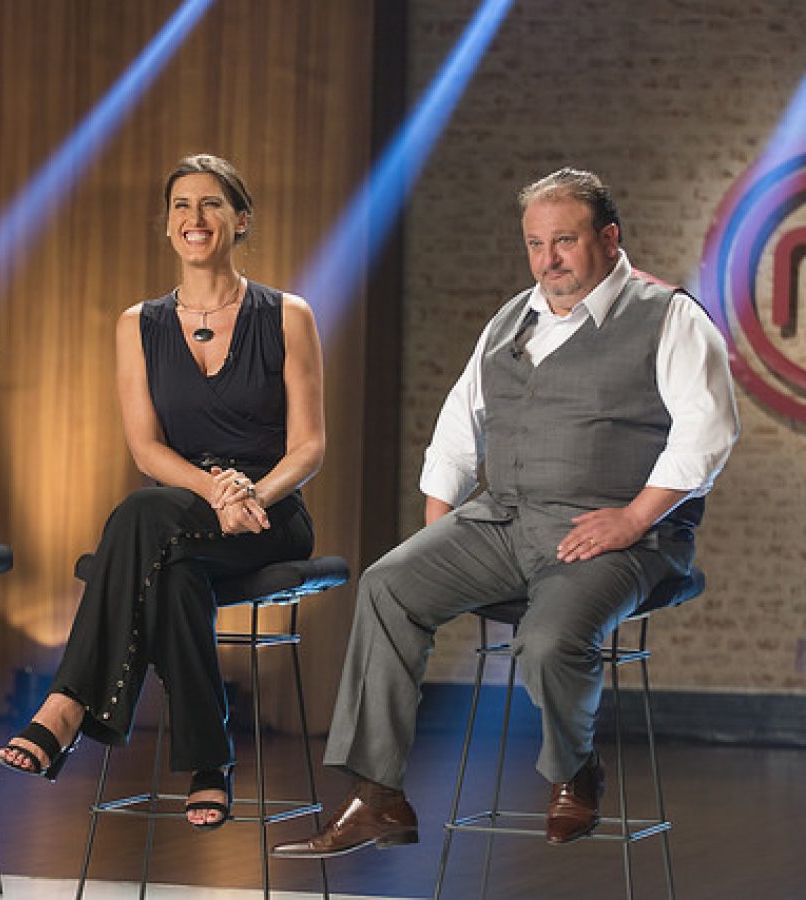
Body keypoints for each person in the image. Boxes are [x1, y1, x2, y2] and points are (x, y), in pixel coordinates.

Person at [272, 167, 739, 858]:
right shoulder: (509, 320)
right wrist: (440, 531)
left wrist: (635, 518)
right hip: (504, 519)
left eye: (565, 241)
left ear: (610, 238)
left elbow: (709, 432)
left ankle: (575, 771)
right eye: (535, 244)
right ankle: (378, 796)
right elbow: (459, 427)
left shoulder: (669, 316)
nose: (548, 260)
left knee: (547, 643)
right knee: (389, 584)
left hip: (615, 533)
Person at [0, 153, 325, 829]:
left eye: (210, 204)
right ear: (168, 224)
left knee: (141, 513)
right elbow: (146, 448)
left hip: (270, 514)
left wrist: (251, 495)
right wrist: (214, 491)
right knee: (172, 572)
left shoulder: (288, 315)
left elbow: (310, 447)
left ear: (240, 220)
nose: (193, 218)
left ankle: (68, 704)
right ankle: (209, 763)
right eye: (181, 205)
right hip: (183, 510)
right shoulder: (137, 324)